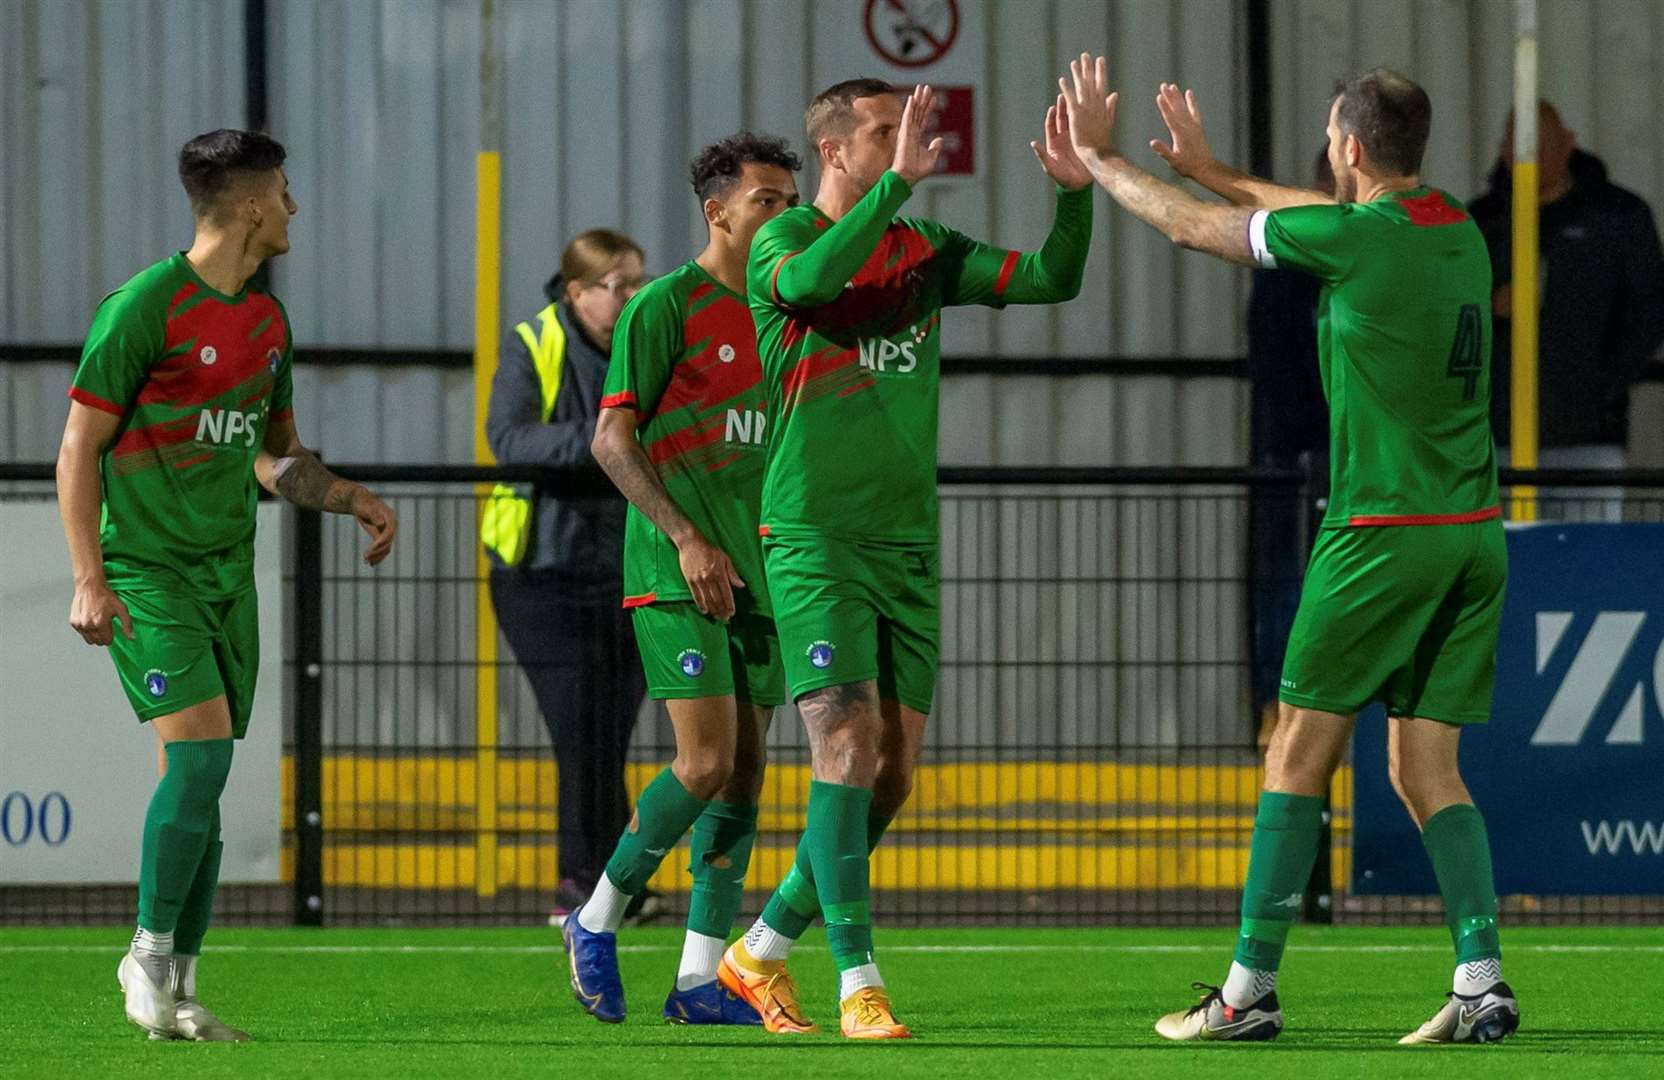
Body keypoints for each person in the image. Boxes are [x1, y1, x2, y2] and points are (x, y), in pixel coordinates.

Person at [1058, 57, 1517, 1044]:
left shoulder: (1352, 241)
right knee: (1423, 767)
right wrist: (1216, 167)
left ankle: (1243, 993)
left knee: (1291, 755)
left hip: (1379, 535)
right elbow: (1310, 213)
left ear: (1346, 147)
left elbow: (1192, 231)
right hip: (1471, 537)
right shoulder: (1453, 228)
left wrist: (1100, 160)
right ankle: (1480, 980)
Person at [714, 80, 1093, 1040]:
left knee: (893, 773)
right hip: (813, 536)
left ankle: (760, 949)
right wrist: (896, 191)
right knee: (843, 747)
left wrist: (1074, 191)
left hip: (907, 543)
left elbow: (1053, 278)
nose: (911, 140)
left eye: (912, 127)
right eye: (888, 131)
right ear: (837, 151)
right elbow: (807, 291)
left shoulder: (928, 252)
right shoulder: (783, 239)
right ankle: (858, 984)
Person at [56, 129, 399, 1041]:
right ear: (248, 204)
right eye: (284, 190)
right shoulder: (143, 307)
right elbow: (78, 447)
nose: (294, 206)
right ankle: (146, 954)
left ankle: (178, 989)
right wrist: (90, 579)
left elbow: (272, 459)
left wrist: (347, 496)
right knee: (201, 761)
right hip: (146, 573)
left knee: (201, 786)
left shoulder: (264, 322)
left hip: (225, 578)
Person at [561, 133, 802, 1027]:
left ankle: (700, 981)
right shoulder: (664, 306)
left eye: (791, 200)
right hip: (676, 570)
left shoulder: (787, 313)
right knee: (703, 764)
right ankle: (593, 920)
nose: (786, 215)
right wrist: (689, 539)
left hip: (764, 575)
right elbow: (609, 440)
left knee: (744, 777)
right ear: (719, 212)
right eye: (767, 201)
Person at [483, 229, 655, 925]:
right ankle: (582, 889)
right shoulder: (535, 342)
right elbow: (509, 439)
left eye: (639, 281)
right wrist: (608, 441)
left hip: (630, 568)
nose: (632, 296)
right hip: (541, 574)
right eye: (618, 285)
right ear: (578, 291)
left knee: (608, 734)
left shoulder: (647, 344)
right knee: (580, 731)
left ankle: (613, 890)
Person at [1469, 101, 1664, 518]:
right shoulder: (1480, 223)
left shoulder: (1619, 218)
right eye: (1520, 145)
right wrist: (1489, 306)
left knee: (1586, 566)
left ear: (1568, 143)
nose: (1531, 157)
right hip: (1497, 441)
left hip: (1589, 441)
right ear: (1503, 149)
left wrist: (1600, 389)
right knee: (1507, 571)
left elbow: (1648, 313)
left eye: (1541, 144)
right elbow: (1444, 316)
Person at [1247, 150, 1334, 748]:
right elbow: (1275, 360)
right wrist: (1310, 441)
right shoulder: (1291, 250)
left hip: (1350, 457)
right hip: (1303, 458)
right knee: (1289, 587)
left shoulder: (1389, 242)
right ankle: (1281, 719)